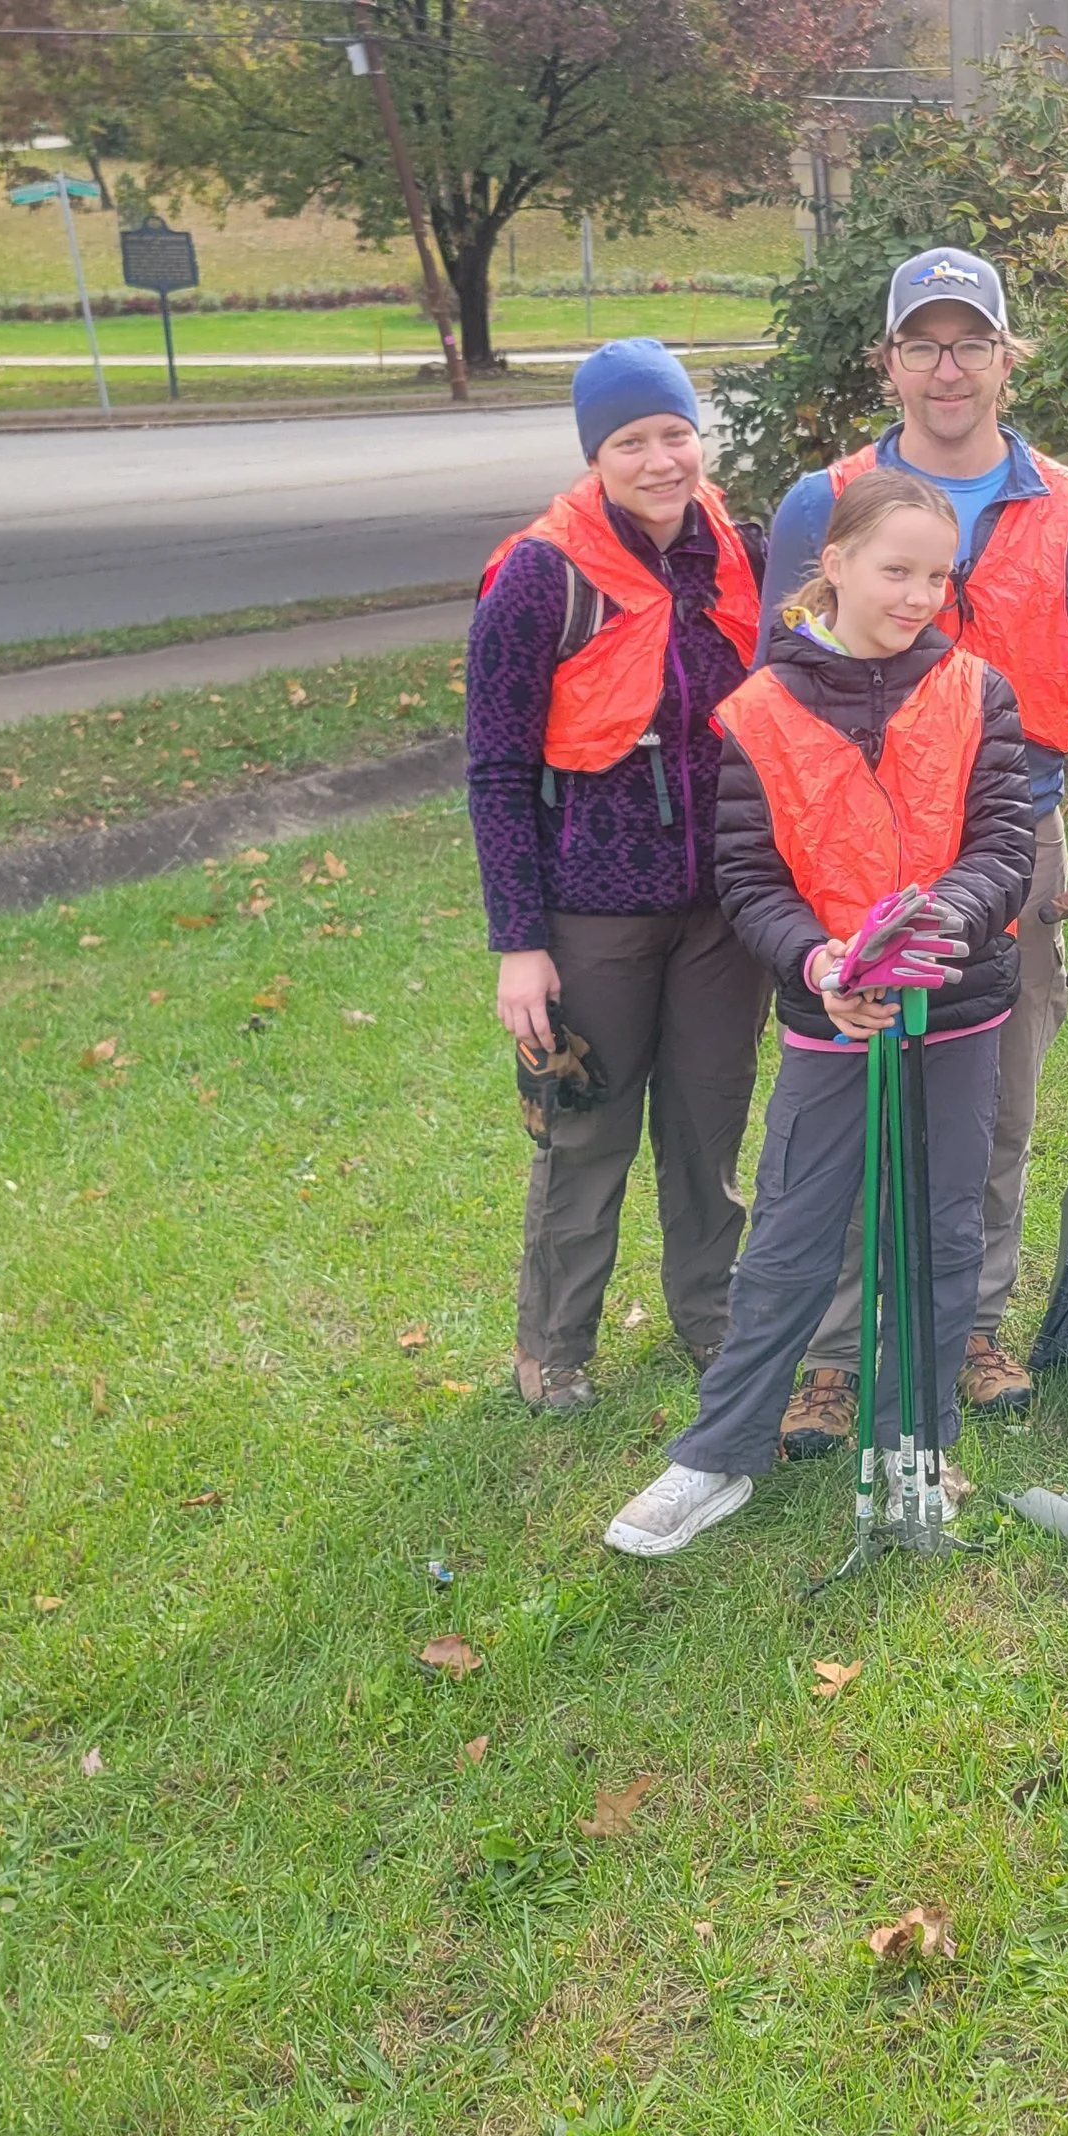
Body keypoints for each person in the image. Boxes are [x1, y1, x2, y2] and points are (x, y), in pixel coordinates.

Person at [603, 467, 1036, 1557]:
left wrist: (944, 927)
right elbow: (749, 878)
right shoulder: (759, 710)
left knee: (940, 1233)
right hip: (830, 1019)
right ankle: (716, 1455)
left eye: (938, 576)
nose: (918, 596)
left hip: (958, 1010)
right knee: (792, 1234)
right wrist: (818, 962)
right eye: (895, 571)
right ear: (832, 565)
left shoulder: (979, 691)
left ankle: (916, 1442)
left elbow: (1004, 847)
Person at [758, 246, 1068, 1453]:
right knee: (838, 1098)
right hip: (846, 846)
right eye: (921, 345)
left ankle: (970, 1325)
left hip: (1006, 835)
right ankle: (829, 1356)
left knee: (993, 1103)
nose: (947, 369)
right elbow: (772, 683)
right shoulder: (823, 502)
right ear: (888, 363)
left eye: (970, 343)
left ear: (1005, 361)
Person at [468, 338, 770, 1411]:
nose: (659, 460)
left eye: (675, 434)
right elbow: (497, 769)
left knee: (709, 1130)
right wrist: (520, 942)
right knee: (587, 1133)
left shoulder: (743, 552)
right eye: (630, 440)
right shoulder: (539, 578)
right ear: (596, 453)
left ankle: (714, 1319)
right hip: (591, 910)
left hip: (723, 913)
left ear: (700, 437)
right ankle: (553, 1349)